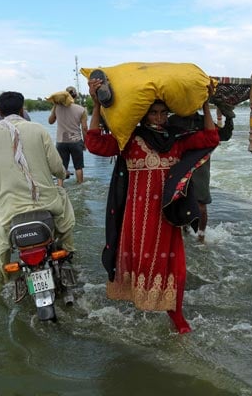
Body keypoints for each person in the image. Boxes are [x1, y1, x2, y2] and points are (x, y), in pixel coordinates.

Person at [85, 77, 219, 334]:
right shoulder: (129, 139)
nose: (158, 118)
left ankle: (177, 316)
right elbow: (94, 143)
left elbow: (210, 138)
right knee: (138, 263)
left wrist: (206, 105)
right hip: (136, 217)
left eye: (162, 113)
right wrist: (96, 106)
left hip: (167, 216)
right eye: (153, 113)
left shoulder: (176, 140)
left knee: (175, 268)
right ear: (144, 115)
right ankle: (137, 303)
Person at [0, 91, 76, 284]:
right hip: (47, 204)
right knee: (63, 201)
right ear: (22, 109)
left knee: (0, 248)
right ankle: (68, 250)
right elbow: (57, 168)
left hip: (10, 211)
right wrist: (62, 174)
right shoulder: (38, 129)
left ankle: (0, 283)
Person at [169, 110, 234, 243]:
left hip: (201, 167)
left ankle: (201, 236)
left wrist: (229, 117)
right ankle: (185, 230)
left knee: (201, 205)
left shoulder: (205, 120)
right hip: (179, 165)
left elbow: (224, 135)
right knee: (180, 200)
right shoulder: (173, 120)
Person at [48, 86, 88, 185]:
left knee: (62, 167)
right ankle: (80, 186)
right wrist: (85, 142)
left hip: (61, 141)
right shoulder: (81, 109)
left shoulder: (57, 108)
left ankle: (60, 187)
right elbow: (84, 128)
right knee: (78, 167)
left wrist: (55, 106)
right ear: (75, 96)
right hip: (76, 141)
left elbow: (50, 121)